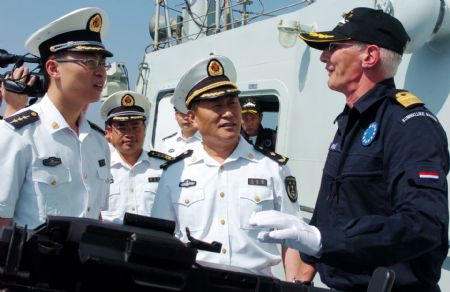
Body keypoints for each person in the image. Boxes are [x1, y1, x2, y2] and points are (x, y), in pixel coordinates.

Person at [249, 7, 449, 292]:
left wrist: (322, 241)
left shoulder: (410, 124)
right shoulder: (350, 122)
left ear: (369, 56)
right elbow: (329, 210)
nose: (323, 57)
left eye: (333, 47)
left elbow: (424, 225)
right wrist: (301, 277)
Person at [151, 55, 302, 280]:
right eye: (217, 106)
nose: (229, 113)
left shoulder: (272, 168)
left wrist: (294, 284)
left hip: (257, 283)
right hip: (194, 283)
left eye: (232, 103)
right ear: (192, 118)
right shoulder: (175, 172)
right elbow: (160, 239)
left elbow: (293, 236)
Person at [0, 7, 114, 229]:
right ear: (53, 68)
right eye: (89, 61)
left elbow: (95, 217)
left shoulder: (98, 142)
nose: (100, 71)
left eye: (102, 62)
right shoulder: (17, 135)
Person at [100, 90, 173, 223]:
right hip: (111, 241)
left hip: (152, 241)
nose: (130, 134)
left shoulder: (164, 168)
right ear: (108, 132)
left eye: (135, 126)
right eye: (122, 128)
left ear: (144, 129)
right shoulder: (99, 169)